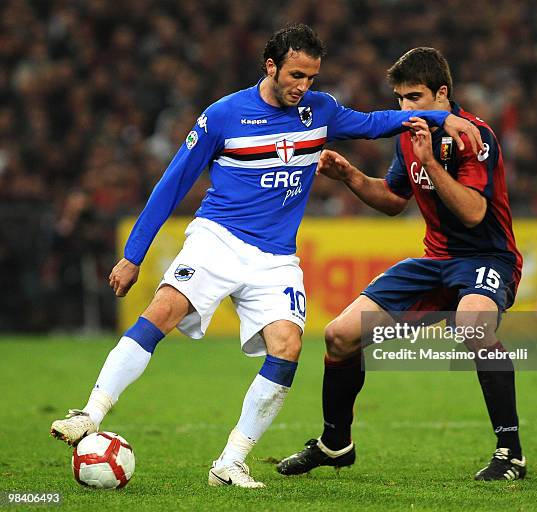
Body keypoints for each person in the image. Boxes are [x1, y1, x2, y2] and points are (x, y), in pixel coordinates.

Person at [50, 27, 483, 488]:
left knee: (288, 346)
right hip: (218, 239)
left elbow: (374, 122)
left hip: (275, 258)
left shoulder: (320, 111)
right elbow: (172, 184)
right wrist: (133, 255)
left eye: (312, 78)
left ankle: (231, 461)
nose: (304, 86)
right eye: (296, 75)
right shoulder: (223, 115)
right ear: (271, 67)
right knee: (164, 310)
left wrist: (441, 120)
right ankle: (89, 413)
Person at [277, 47, 526, 481]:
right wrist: (351, 177)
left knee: (472, 325)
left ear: (442, 93)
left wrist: (431, 162)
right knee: (339, 335)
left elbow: (473, 213)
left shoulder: (474, 136)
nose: (405, 108)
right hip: (434, 262)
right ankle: (336, 443)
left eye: (414, 97)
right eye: (399, 99)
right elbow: (394, 200)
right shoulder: (407, 138)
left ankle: (511, 452)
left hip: (488, 258)